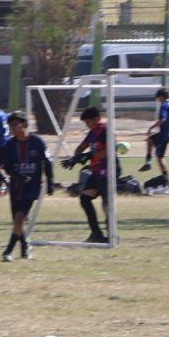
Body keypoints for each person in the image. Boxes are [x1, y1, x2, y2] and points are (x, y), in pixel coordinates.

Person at [0, 108, 52, 260]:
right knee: (17, 221)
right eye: (11, 126)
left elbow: (46, 162)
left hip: (32, 187)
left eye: (16, 124)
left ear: (25, 124)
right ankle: (25, 247)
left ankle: (8, 251)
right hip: (16, 187)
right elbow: (7, 167)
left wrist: (51, 181)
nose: (13, 128)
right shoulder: (9, 145)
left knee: (19, 219)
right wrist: (17, 176)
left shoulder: (37, 142)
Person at [65, 104, 111, 243]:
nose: (87, 125)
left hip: (107, 169)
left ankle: (112, 235)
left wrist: (90, 155)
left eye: (88, 122)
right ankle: (96, 234)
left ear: (97, 118)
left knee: (106, 202)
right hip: (96, 171)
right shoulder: (92, 133)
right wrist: (76, 157)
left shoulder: (105, 130)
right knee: (85, 199)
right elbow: (81, 147)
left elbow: (108, 151)